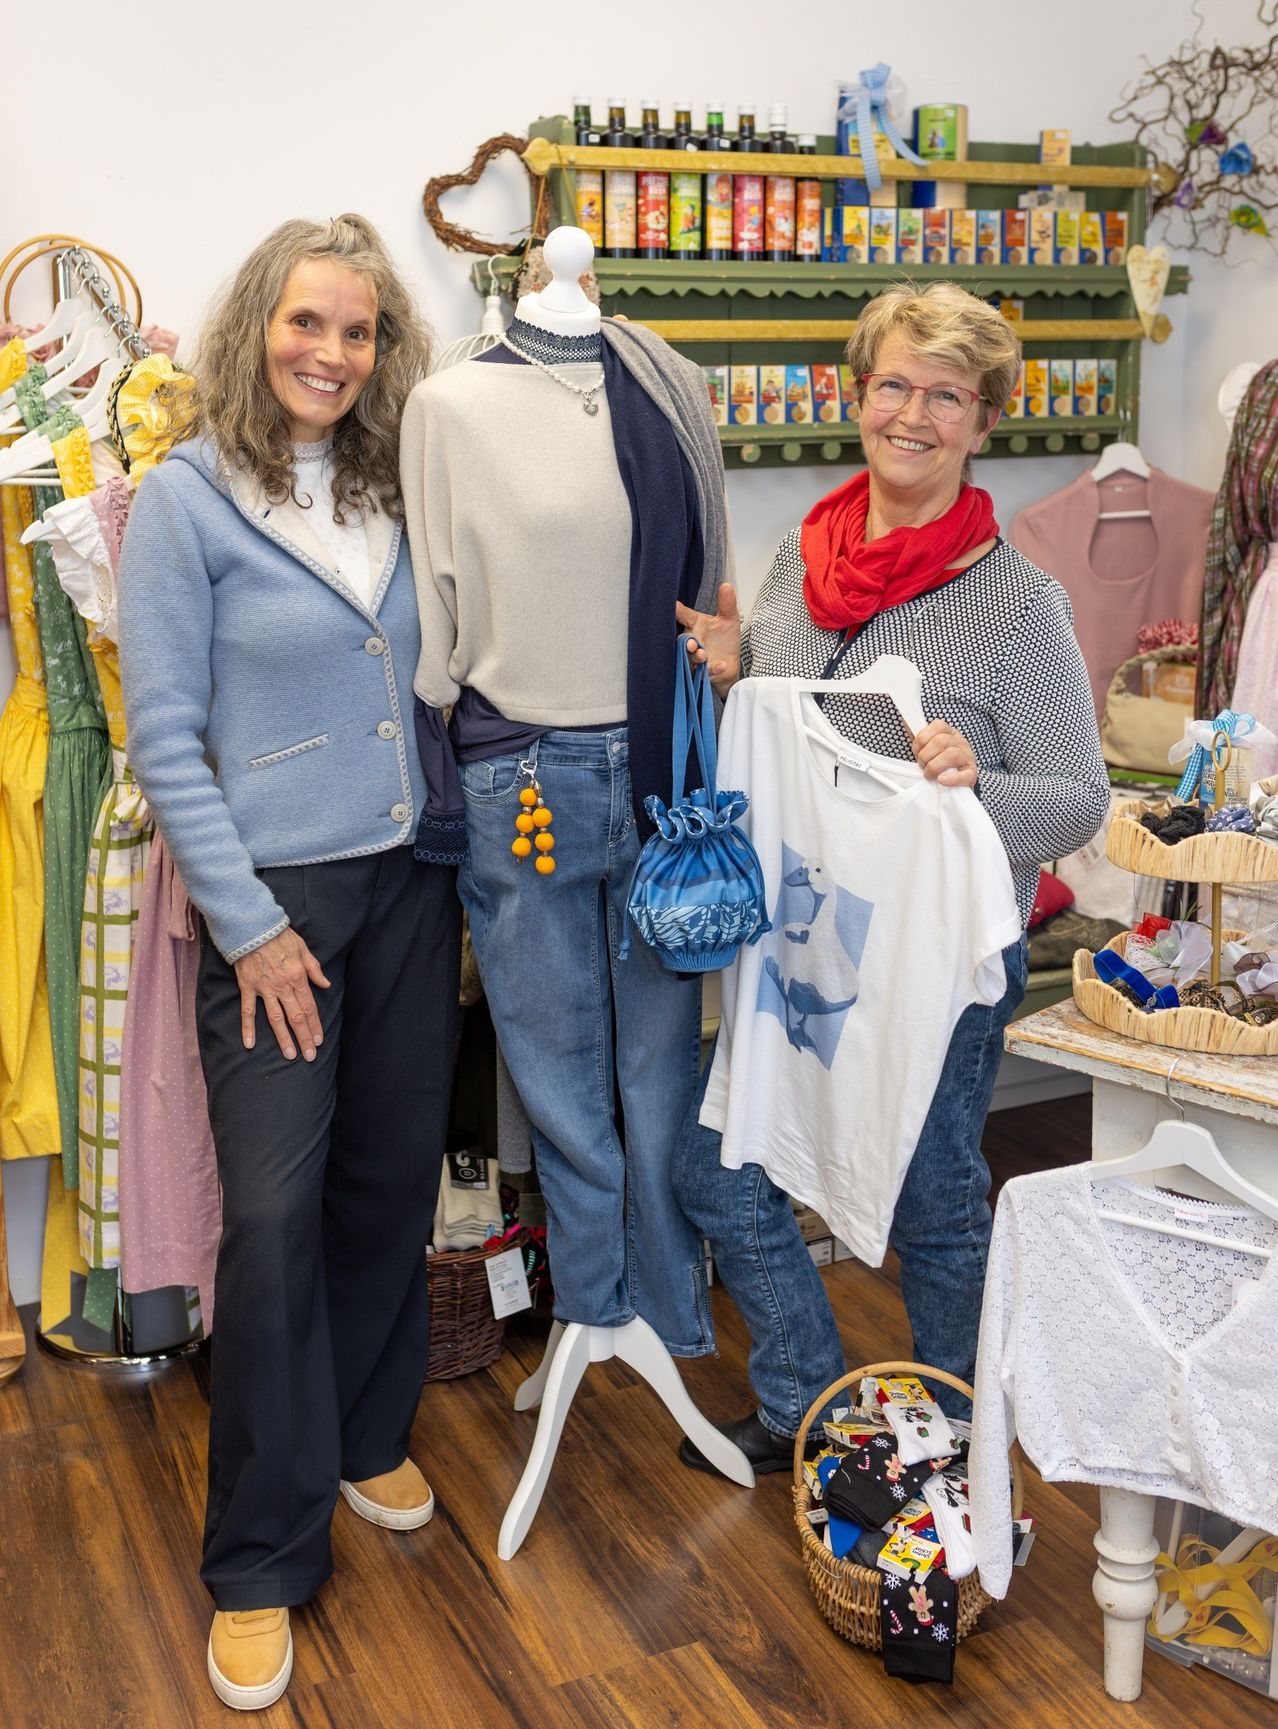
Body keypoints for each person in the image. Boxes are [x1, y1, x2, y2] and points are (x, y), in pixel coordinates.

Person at [671, 281, 1109, 1474]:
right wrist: (728, 670)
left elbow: (1078, 797)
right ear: (856, 394)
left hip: (935, 953)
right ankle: (808, 1399)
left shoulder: (1019, 603)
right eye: (896, 385)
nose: (915, 414)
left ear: (982, 422)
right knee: (718, 1164)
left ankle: (960, 1438)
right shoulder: (799, 558)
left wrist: (970, 785)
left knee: (932, 1202)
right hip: (805, 934)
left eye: (948, 395)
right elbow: (783, 719)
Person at [118, 215, 460, 1711]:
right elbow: (163, 735)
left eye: (361, 332)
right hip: (277, 907)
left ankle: (367, 1430)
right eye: (307, 324)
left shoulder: (402, 480)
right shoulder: (182, 502)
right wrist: (249, 922)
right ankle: (258, 1555)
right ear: (255, 325)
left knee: (392, 1178)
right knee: (269, 1217)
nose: (332, 353)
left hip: (410, 883)